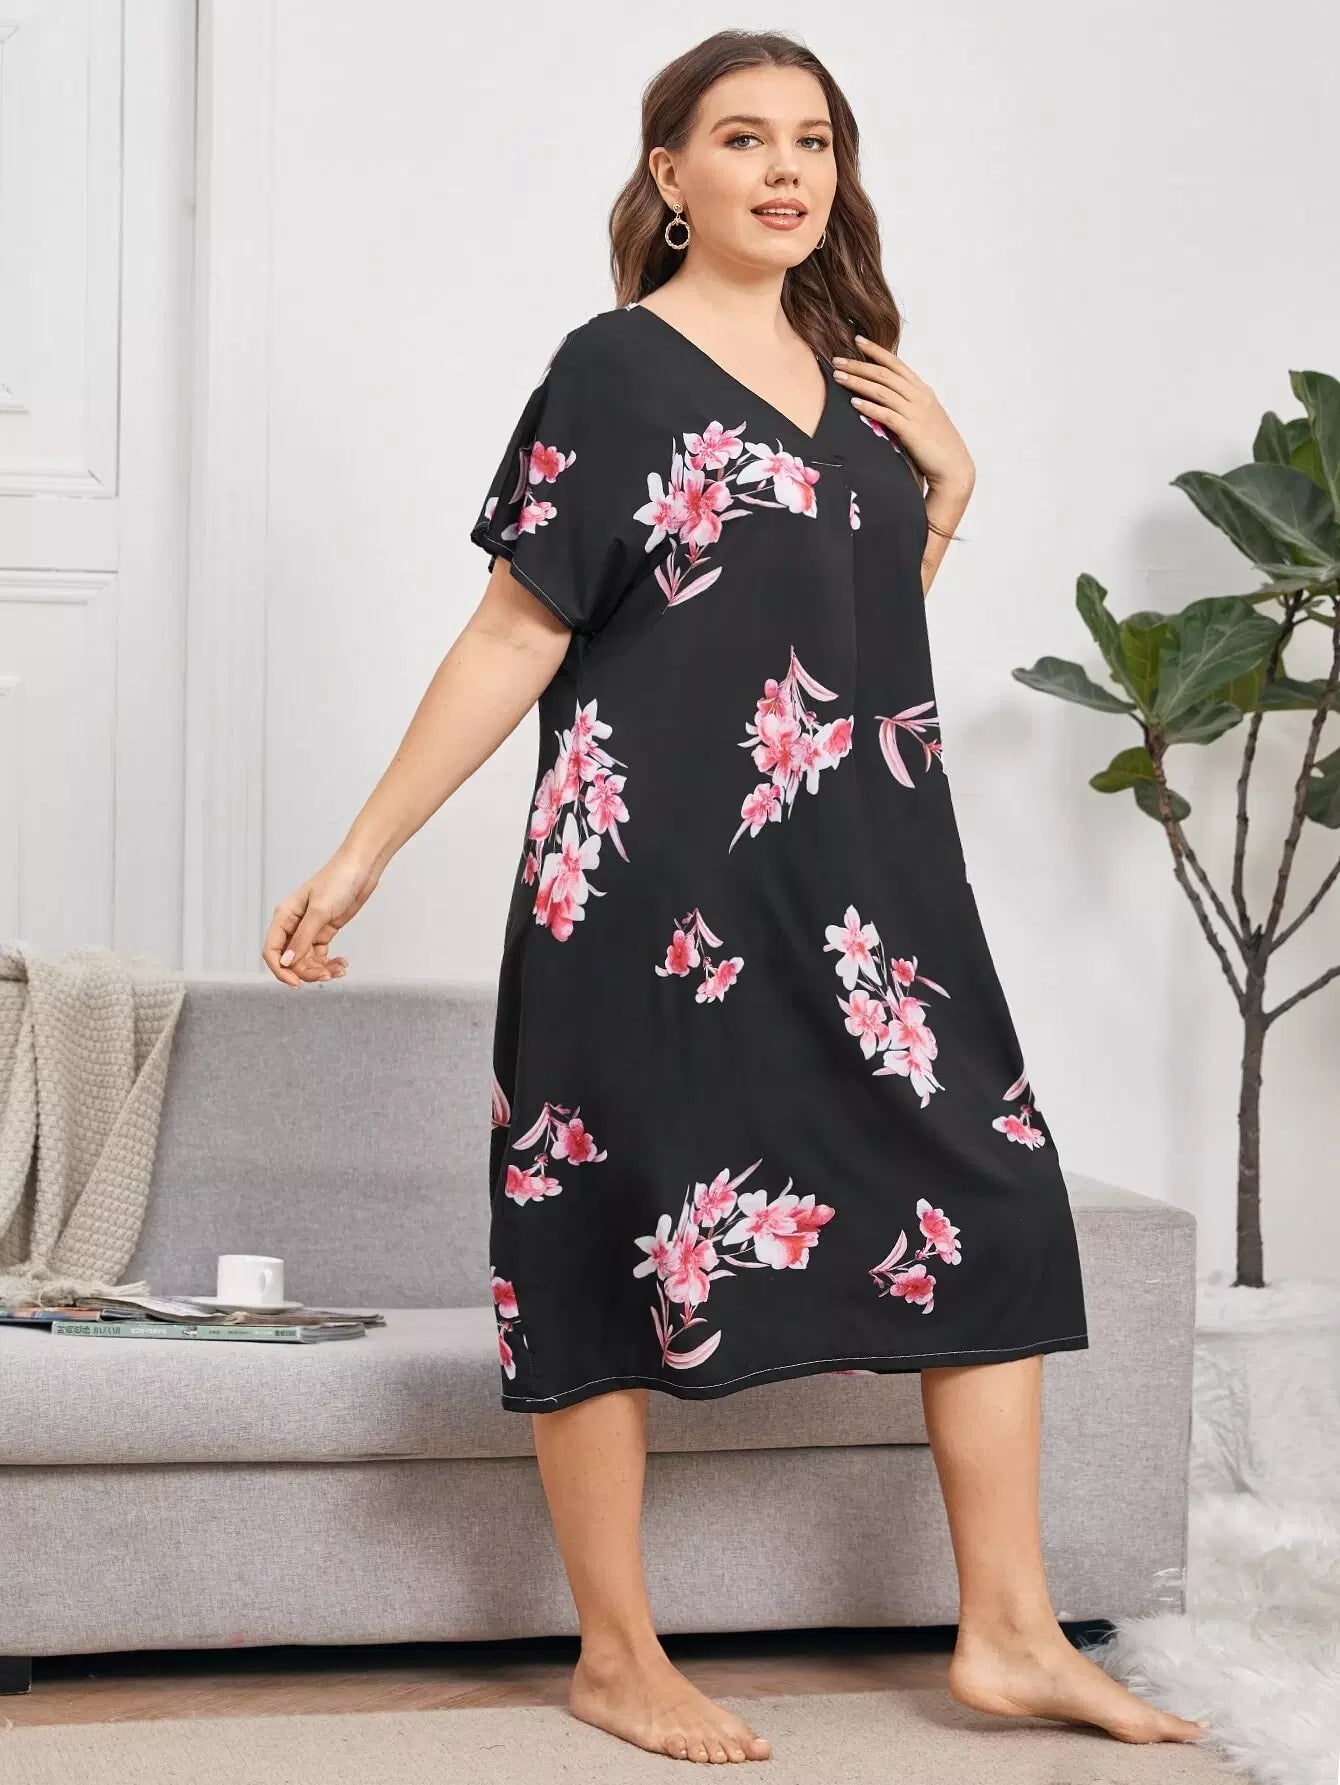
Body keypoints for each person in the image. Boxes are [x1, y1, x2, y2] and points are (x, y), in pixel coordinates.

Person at [262, 27, 1207, 1768]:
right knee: (609, 1225)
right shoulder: (611, 368)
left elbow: (837, 632)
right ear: (671, 173)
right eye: (746, 137)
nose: (788, 169)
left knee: (998, 1201)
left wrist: (948, 496)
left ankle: (1008, 1632)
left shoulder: (861, 382)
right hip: (645, 880)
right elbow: (517, 630)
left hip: (861, 886)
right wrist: (363, 849)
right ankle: (618, 1654)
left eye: (816, 142)